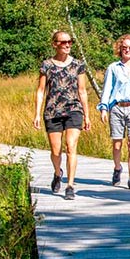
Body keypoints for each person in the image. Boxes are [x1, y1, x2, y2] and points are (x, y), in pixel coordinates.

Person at [33, 30, 91, 200]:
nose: (67, 45)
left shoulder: (78, 65)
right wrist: (37, 114)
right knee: (55, 150)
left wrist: (87, 115)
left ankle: (70, 185)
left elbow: (82, 91)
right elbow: (41, 90)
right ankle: (58, 173)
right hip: (53, 111)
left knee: (70, 146)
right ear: (55, 44)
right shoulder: (47, 65)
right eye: (63, 42)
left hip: (74, 110)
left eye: (70, 42)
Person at [97, 34, 130, 190]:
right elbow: (107, 89)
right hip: (117, 107)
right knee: (117, 144)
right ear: (120, 49)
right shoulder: (113, 68)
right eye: (124, 48)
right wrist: (104, 108)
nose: (127, 50)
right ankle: (117, 168)